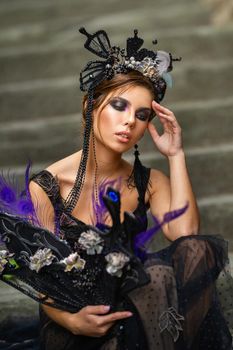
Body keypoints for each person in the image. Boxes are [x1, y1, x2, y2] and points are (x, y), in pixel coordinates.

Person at [2, 28, 232, 350]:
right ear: (90, 105)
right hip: (76, 323)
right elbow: (42, 277)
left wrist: (176, 155)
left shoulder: (148, 181)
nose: (129, 123)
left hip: (137, 308)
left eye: (142, 115)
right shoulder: (47, 186)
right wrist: (72, 320)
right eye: (119, 106)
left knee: (189, 256)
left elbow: (187, 236)